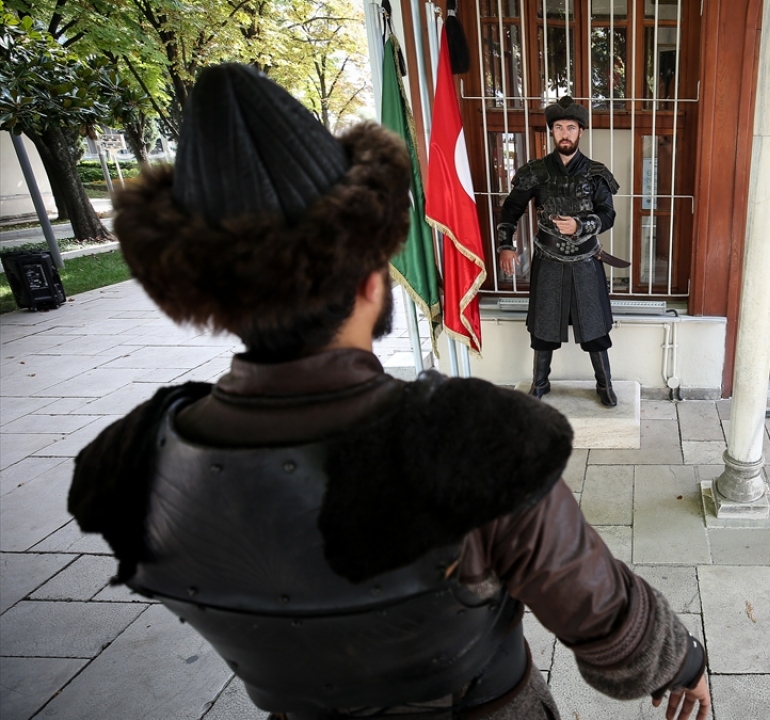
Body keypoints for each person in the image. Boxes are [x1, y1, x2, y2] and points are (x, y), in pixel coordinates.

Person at [66, 65, 709, 720]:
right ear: (373, 280)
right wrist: (683, 659)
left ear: (215, 300)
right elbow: (610, 625)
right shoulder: (474, 442)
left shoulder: (130, 468)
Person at [496, 97, 622, 407]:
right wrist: (505, 246)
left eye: (570, 127)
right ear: (552, 133)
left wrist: (580, 225)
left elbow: (608, 214)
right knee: (544, 326)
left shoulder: (596, 173)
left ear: (580, 131)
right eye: (557, 128)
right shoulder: (535, 171)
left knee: (594, 327)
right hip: (548, 260)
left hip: (585, 261)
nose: (564, 133)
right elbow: (511, 209)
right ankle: (539, 383)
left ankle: (604, 385)